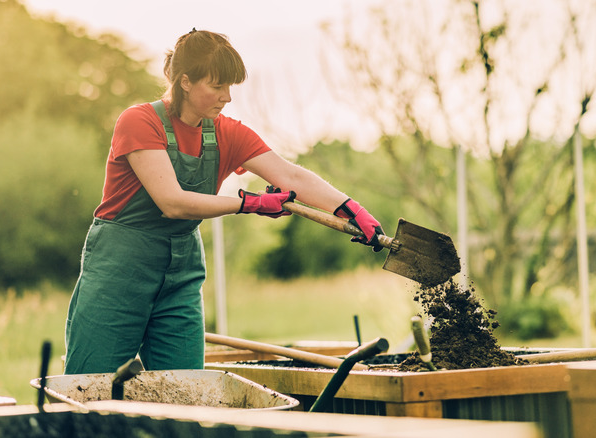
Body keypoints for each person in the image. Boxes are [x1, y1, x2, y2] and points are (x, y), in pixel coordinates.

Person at [64, 29, 384, 375]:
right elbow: (172, 202)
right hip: (120, 267)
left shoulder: (226, 132)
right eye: (217, 86)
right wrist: (247, 204)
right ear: (185, 82)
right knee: (91, 385)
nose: (227, 97)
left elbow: (290, 177)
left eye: (230, 87)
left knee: (184, 388)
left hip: (181, 271)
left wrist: (350, 208)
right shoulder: (139, 122)